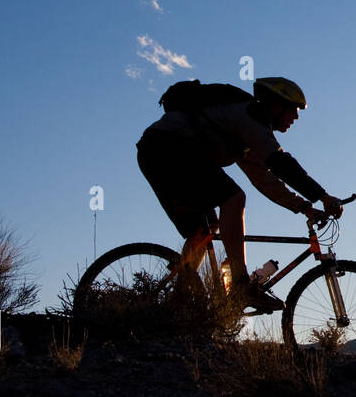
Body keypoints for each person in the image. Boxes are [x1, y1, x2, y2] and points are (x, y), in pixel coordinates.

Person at [135, 76, 342, 312]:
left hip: (158, 152)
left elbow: (265, 179)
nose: (295, 117)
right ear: (275, 104)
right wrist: (323, 196)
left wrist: (304, 206)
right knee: (233, 198)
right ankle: (241, 285)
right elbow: (280, 163)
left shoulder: (245, 134)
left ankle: (179, 303)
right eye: (293, 109)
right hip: (167, 148)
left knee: (204, 229)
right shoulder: (248, 115)